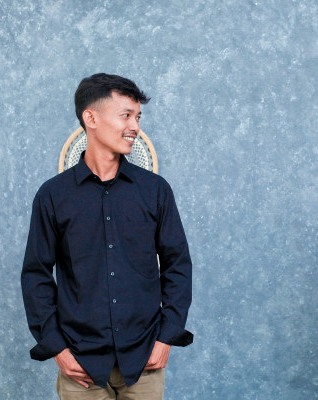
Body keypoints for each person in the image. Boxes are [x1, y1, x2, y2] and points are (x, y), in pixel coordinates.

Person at [21, 73, 193, 399]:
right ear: (91, 118)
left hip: (144, 361)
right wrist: (57, 348)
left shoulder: (155, 191)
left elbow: (178, 266)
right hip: (80, 365)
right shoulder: (52, 196)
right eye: (126, 115)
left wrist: (166, 337)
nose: (135, 126)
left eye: (138, 117)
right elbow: (35, 275)